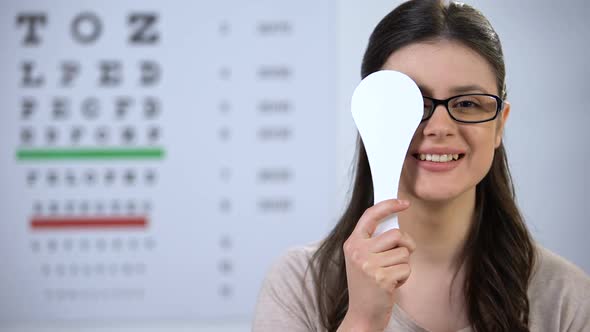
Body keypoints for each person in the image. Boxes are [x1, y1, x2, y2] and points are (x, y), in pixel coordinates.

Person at [252, 1, 590, 331]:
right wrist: (363, 320)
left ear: (499, 125)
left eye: (469, 103)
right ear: (371, 120)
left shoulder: (567, 298)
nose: (440, 127)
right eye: (414, 102)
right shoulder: (298, 285)